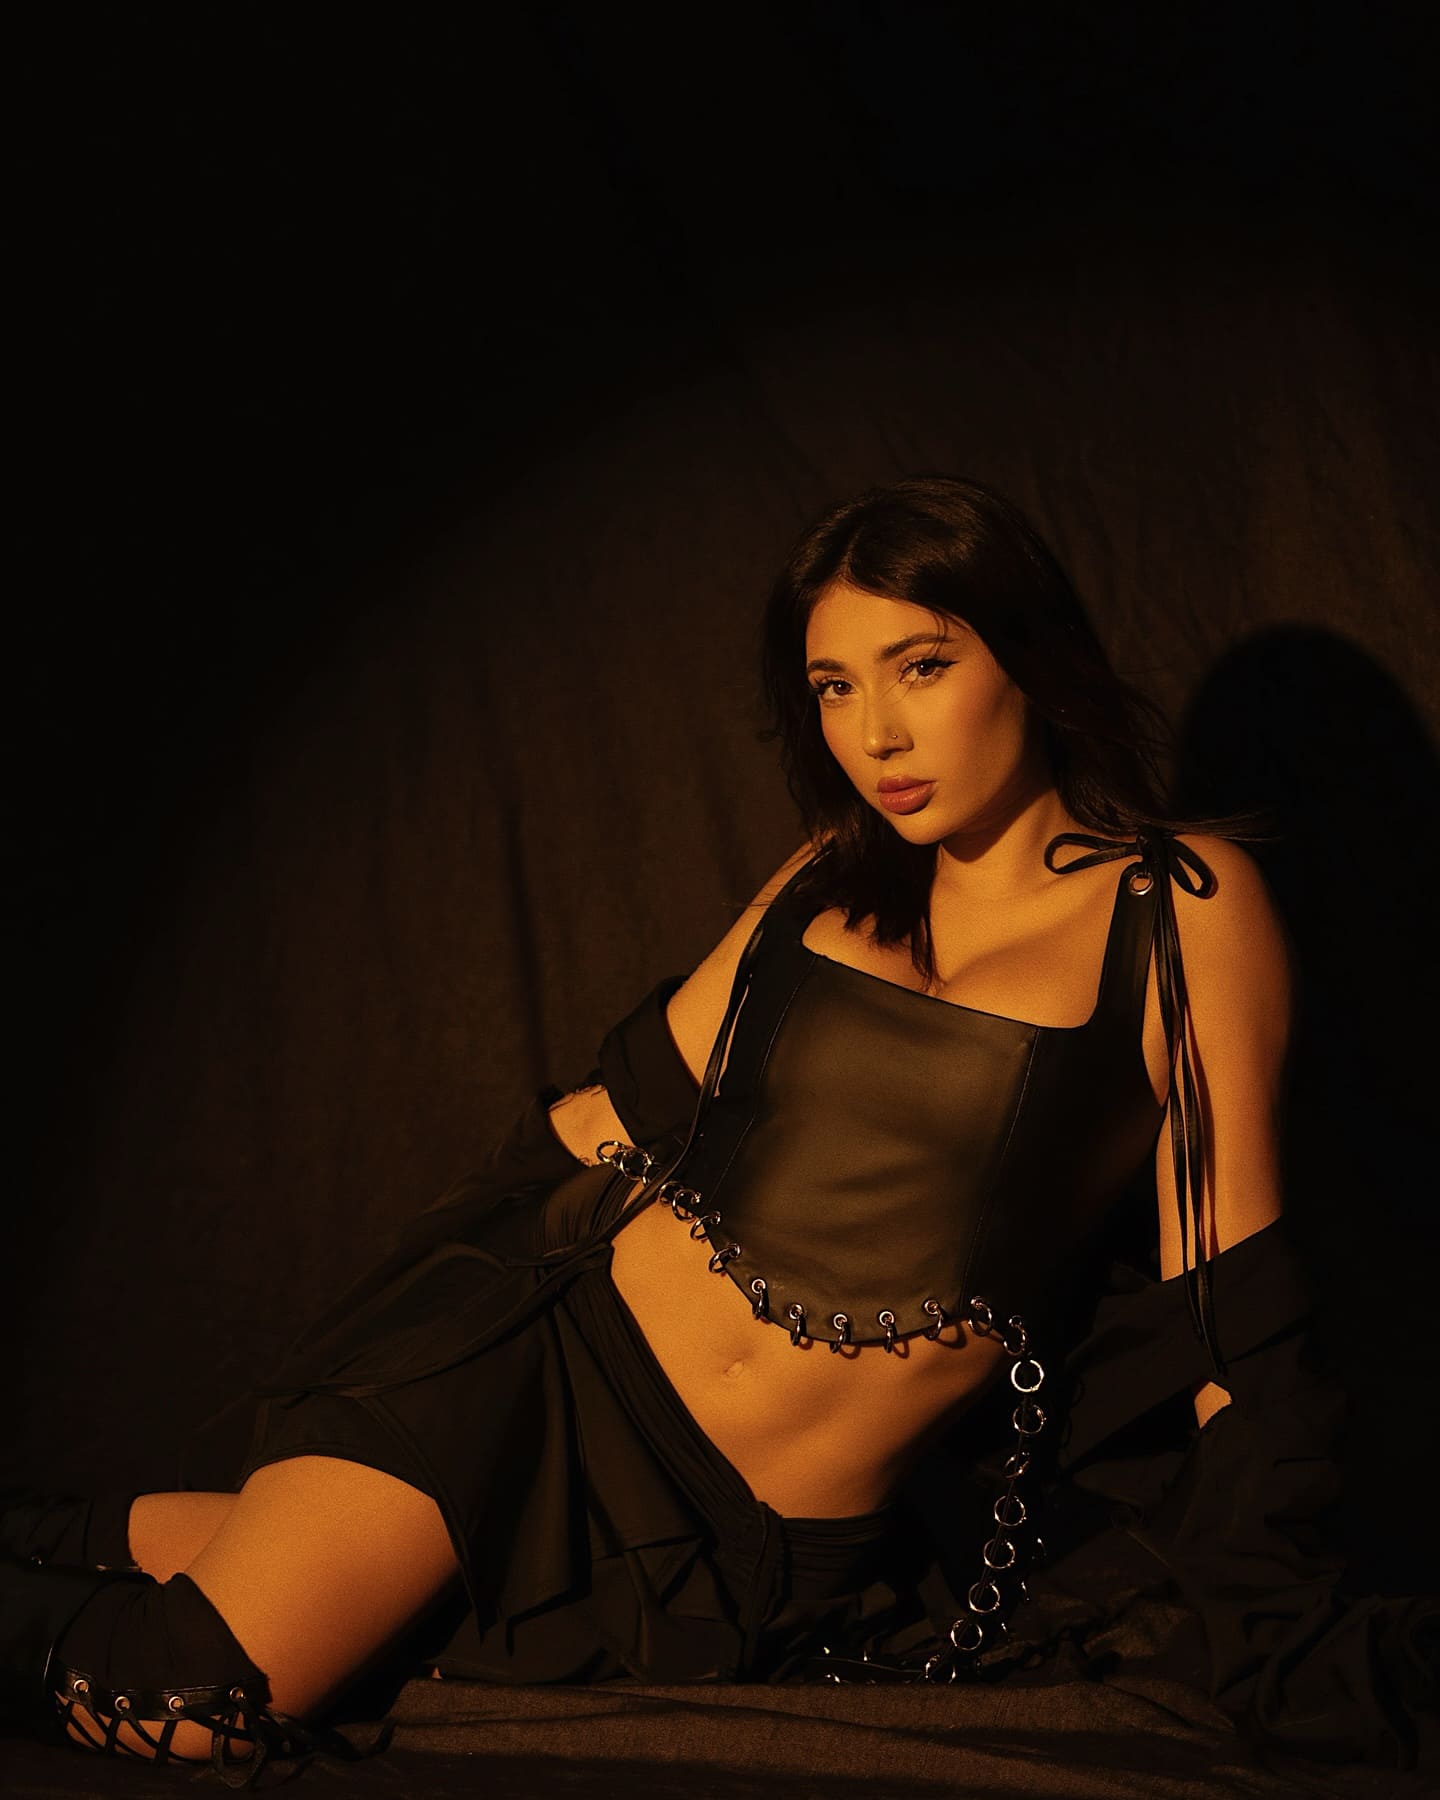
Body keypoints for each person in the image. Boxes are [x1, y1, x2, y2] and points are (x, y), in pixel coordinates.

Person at [3, 475, 1433, 1781]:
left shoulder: (1176, 910)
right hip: (547, 1373)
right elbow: (617, 1114)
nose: (875, 734)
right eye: (833, 687)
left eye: (921, 666)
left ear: (1028, 658)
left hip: (735, 1540)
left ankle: (55, 1537)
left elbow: (1231, 1306)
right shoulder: (828, 879)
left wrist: (1273, 1614)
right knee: (186, 1698)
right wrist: (414, 1335)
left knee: (270, 1609)